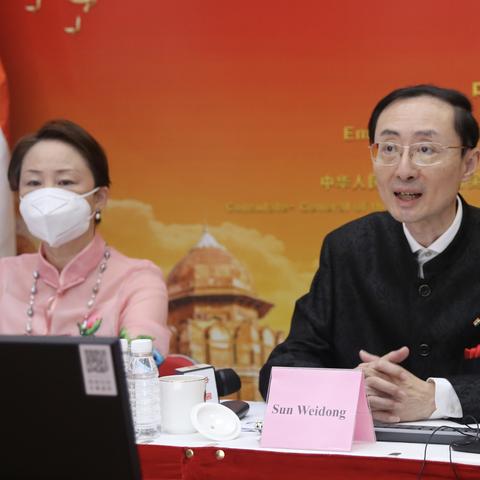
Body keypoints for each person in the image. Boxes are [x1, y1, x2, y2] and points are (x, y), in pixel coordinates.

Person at [259, 85, 480, 422]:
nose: (403, 170)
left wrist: (438, 399)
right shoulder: (347, 248)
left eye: (425, 149)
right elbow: (281, 370)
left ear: (469, 163)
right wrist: (344, 388)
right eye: (389, 148)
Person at [0, 119, 170, 356]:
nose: (47, 193)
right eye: (34, 182)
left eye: (65, 182)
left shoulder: (137, 280)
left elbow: (142, 354)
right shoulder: (4, 276)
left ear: (99, 198)